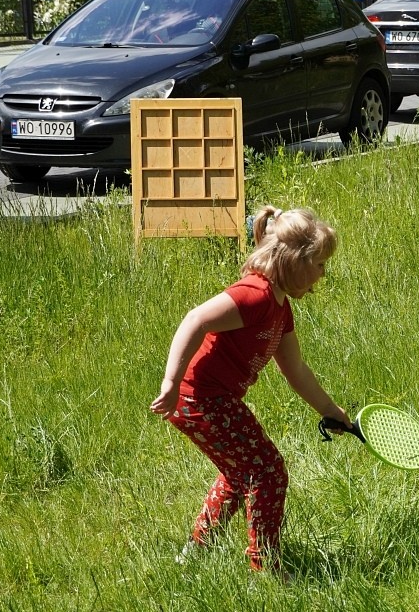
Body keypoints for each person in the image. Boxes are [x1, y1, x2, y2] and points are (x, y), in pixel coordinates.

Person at [149, 205, 351, 578]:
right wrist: (171, 383)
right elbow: (195, 318)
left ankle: (196, 549)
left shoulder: (281, 308)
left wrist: (332, 411)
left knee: (240, 472)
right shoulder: (254, 296)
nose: (323, 275)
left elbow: (296, 370)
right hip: (198, 398)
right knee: (268, 470)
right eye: (319, 265)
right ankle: (267, 567)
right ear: (293, 261)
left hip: (212, 399)